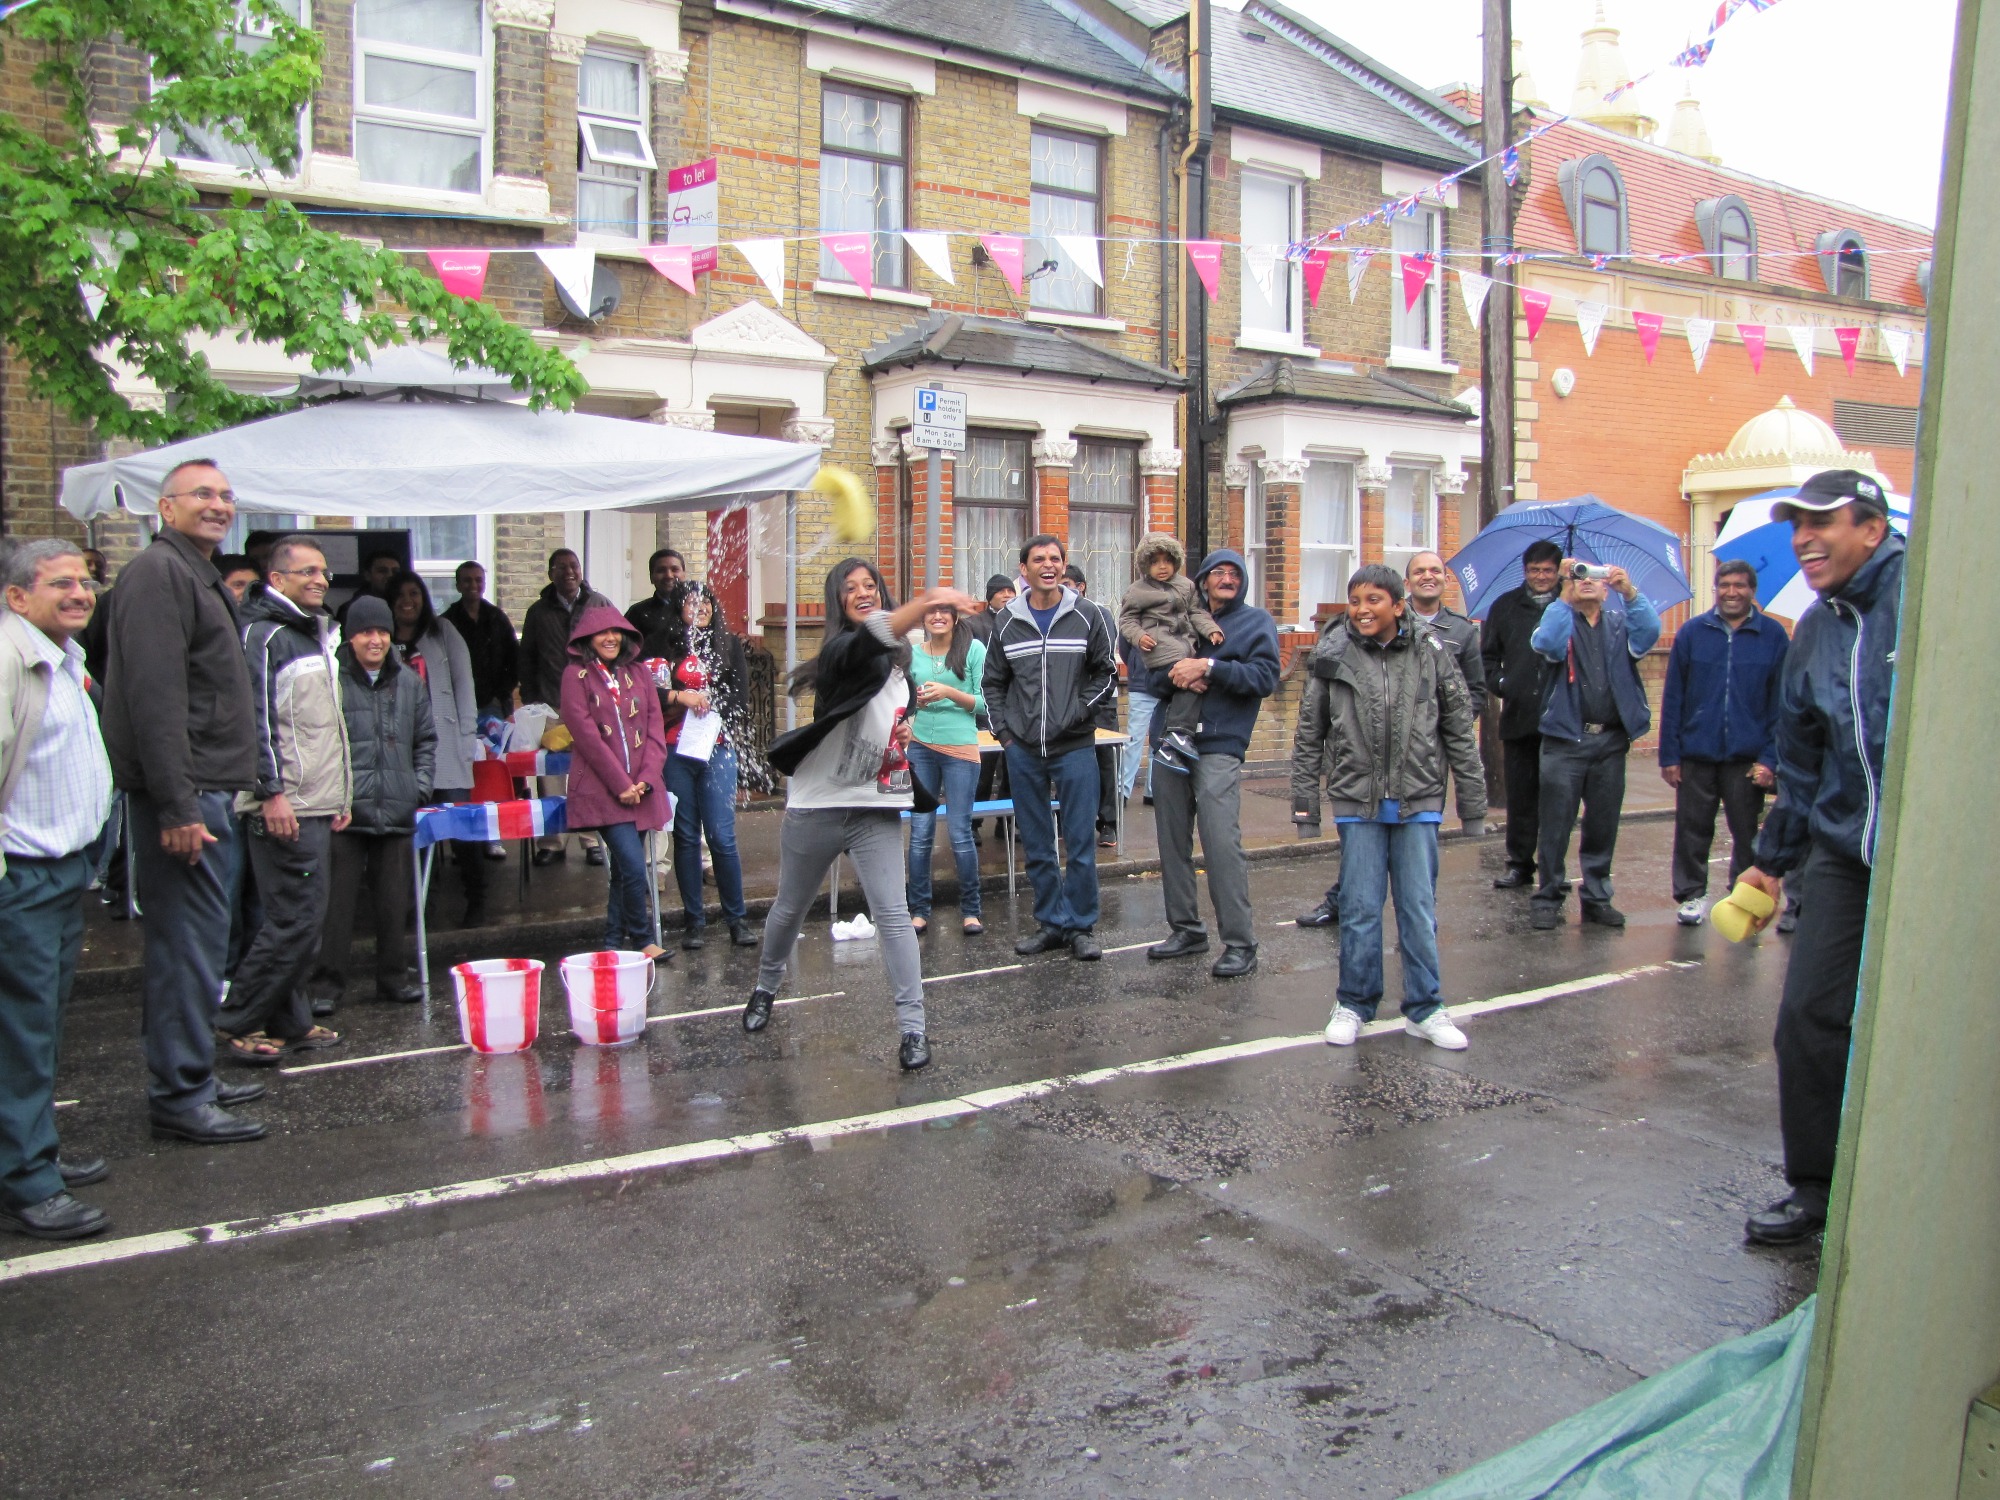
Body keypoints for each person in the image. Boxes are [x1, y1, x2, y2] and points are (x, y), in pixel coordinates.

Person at [1734, 470, 1904, 1246]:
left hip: (1926, 847)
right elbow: (1800, 759)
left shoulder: (1927, 595)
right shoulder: (1814, 630)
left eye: (1821, 522)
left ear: (1871, 528)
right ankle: (1817, 1188)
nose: (1804, 538)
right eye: (1795, 525)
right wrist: (1772, 859)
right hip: (1844, 850)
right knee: (1808, 1016)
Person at [746, 562, 977, 1069]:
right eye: (850, 589)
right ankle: (765, 986)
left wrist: (904, 733)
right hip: (819, 803)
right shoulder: (840, 653)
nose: (862, 593)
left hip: (875, 804)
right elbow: (869, 640)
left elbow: (894, 713)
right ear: (838, 602)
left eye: (870, 586)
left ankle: (914, 1030)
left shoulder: (903, 664)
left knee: (893, 916)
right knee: (790, 907)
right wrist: (928, 602)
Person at [103, 462, 268, 1144]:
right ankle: (180, 1092)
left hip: (204, 789)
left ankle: (190, 1068)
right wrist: (176, 807)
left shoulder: (195, 573)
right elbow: (155, 697)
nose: (219, 505)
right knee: (186, 948)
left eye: (227, 496)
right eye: (202, 494)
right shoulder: (157, 574)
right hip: (186, 795)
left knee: (201, 944)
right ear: (164, 507)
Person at [1297, 565, 1486, 1050]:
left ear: (1398, 606)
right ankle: (1354, 1002)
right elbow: (1309, 733)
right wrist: (1305, 808)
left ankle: (1426, 1008)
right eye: (1355, 599)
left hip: (1418, 795)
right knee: (1360, 908)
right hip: (1356, 798)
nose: (1363, 609)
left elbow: (1459, 726)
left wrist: (1472, 802)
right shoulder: (1331, 654)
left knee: (1418, 908)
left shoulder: (1432, 652)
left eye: (1374, 599)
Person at [0, 540, 115, 1239]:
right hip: (24, 877)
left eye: (85, 581)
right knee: (23, 1031)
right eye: (60, 584)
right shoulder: (12, 660)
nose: (79, 592)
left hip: (64, 872)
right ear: (17, 596)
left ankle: (31, 1150)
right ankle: (28, 1182)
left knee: (39, 1028)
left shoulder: (63, 657)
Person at [212, 536, 352, 1065]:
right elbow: (256, 721)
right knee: (294, 920)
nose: (319, 579)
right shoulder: (264, 635)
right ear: (277, 580)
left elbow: (323, 726)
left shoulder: (310, 633)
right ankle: (236, 1020)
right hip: (285, 802)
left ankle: (289, 1019)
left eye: (323, 572)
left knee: (299, 919)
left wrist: (341, 794)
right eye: (307, 572)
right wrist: (270, 794)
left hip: (314, 799)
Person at [1142, 549, 1280, 977]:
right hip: (1170, 743)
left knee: (1221, 844)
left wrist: (1212, 668)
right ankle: (1187, 930)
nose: (1225, 578)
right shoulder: (1179, 617)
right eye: (1216, 572)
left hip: (1219, 745)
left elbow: (1264, 677)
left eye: (1233, 572)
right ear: (1201, 581)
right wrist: (1180, 672)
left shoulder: (1255, 622)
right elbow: (1147, 674)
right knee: (1172, 841)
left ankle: (1241, 943)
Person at [984, 535, 1118, 962]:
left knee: (1079, 841)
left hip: (1075, 746)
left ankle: (1080, 926)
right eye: (1038, 559)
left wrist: (1079, 713)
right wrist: (1006, 734)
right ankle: (1050, 923)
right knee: (1038, 843)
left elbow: (1107, 674)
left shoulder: (1089, 615)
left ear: (1063, 566)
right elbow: (992, 684)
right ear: (1023, 569)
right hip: (1023, 750)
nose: (1048, 565)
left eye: (1055, 558)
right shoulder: (1006, 621)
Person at [310, 595, 436, 1009]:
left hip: (396, 807)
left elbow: (426, 742)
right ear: (350, 636)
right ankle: (326, 987)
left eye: (382, 631)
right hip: (344, 811)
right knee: (336, 906)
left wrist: (417, 788)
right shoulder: (331, 679)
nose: (376, 640)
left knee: (393, 904)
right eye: (366, 631)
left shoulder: (410, 682)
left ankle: (393, 980)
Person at [1528, 560, 1661, 930]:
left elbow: (1650, 632)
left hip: (1610, 740)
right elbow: (1546, 643)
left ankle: (1597, 897)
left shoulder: (1620, 625)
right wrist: (1563, 598)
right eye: (1579, 577)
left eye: (1595, 578)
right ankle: (1548, 896)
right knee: (1556, 824)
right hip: (1564, 741)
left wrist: (1630, 592)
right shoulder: (1560, 619)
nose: (1588, 583)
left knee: (1603, 824)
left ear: (1606, 588)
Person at [1658, 560, 1790, 926]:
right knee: (1691, 829)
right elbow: (1673, 698)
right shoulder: (1692, 633)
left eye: (1740, 586)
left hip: (1747, 759)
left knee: (1747, 832)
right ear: (1716, 589)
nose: (1732, 592)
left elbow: (1781, 703)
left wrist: (1770, 758)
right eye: (1725, 585)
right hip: (1696, 753)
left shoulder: (1774, 637)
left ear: (1752, 590)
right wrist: (1670, 754)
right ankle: (1690, 895)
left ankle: (1743, 896)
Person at [560, 605, 671, 958]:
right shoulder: (575, 676)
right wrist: (620, 783)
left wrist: (646, 780)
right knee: (634, 865)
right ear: (587, 639)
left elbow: (655, 730)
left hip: (641, 790)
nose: (610, 638)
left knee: (625, 871)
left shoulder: (638, 673)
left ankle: (612, 942)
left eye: (615, 631)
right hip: (602, 791)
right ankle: (642, 940)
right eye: (601, 632)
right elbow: (586, 736)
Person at [657, 579, 755, 950]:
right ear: (678, 608)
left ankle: (737, 919)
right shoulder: (665, 647)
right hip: (675, 750)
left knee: (720, 836)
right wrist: (681, 698)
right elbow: (650, 692)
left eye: (706, 604)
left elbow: (741, 700)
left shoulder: (728, 645)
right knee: (684, 836)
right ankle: (693, 922)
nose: (699, 609)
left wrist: (712, 707)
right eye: (690, 603)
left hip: (717, 749)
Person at [388, 570, 489, 927]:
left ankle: (476, 902)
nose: (407, 600)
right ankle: (417, 911)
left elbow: (465, 686)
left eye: (414, 593)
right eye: (400, 594)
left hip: (444, 747)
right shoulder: (379, 639)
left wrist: (465, 740)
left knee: (461, 831)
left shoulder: (443, 632)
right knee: (411, 835)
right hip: (399, 753)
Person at [1482, 539, 1564, 891]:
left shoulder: (1571, 604)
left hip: (1562, 719)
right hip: (1519, 717)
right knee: (1522, 797)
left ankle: (1553, 867)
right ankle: (1519, 864)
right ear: (1525, 571)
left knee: (1557, 799)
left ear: (1559, 571)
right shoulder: (1505, 607)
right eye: (1535, 570)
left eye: (1548, 570)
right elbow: (1487, 657)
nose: (1541, 576)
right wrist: (1503, 682)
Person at [519, 548, 611, 866]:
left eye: (574, 566)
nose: (569, 572)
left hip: (592, 705)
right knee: (551, 777)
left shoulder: (599, 604)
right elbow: (527, 658)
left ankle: (591, 840)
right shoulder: (538, 612)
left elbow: (617, 649)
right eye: (561, 567)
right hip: (550, 704)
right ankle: (552, 842)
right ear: (550, 574)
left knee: (589, 774)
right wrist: (533, 700)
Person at [905, 595, 987, 937]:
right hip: (920, 748)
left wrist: (949, 693)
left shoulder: (973, 650)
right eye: (930, 611)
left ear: (954, 617)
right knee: (920, 833)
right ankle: (919, 909)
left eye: (944, 611)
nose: (937, 616)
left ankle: (971, 910)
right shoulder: (913, 654)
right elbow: (903, 701)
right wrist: (913, 706)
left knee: (959, 833)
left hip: (960, 750)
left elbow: (985, 702)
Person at [1117, 534, 1224, 777]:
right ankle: (1177, 735)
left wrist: (1211, 630)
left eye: (1167, 561)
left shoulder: (1186, 586)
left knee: (1193, 686)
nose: (1162, 567)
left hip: (1185, 647)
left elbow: (1196, 612)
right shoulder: (1137, 591)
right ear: (1145, 565)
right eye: (1155, 562)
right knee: (1190, 682)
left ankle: (1175, 738)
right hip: (1160, 650)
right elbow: (1127, 620)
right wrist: (1139, 637)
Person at [1064, 563, 1126, 848]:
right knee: (1074, 762)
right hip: (1069, 704)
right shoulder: (1056, 616)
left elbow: (1101, 660)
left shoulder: (1099, 613)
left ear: (1082, 586)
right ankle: (1074, 820)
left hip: (1100, 702)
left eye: (1068, 583)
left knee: (1105, 762)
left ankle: (1109, 823)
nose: (1063, 589)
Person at [441, 560, 519, 720]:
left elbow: (515, 658)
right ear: (458, 585)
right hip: (458, 703)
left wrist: (502, 693)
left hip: (495, 702)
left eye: (478, 580)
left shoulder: (497, 618)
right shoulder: (447, 621)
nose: (473, 584)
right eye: (467, 580)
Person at [625, 547, 689, 657]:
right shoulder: (638, 613)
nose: (669, 575)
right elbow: (626, 651)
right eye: (661, 570)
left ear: (684, 574)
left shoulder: (700, 610)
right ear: (651, 577)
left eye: (675, 569)